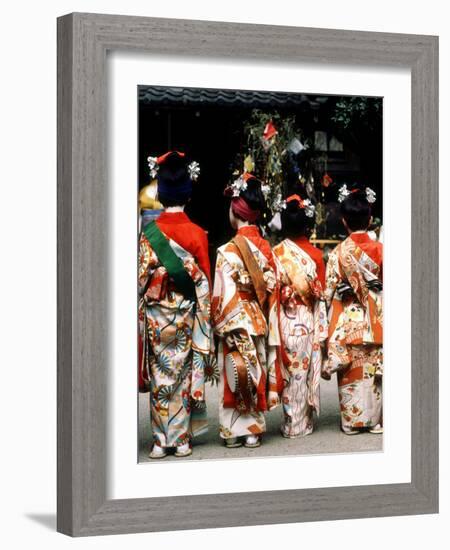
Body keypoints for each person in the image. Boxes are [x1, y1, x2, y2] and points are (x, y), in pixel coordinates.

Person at [138, 151, 214, 458]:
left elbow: (141, 279)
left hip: (157, 318)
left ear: (161, 193)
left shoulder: (148, 234)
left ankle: (159, 440)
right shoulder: (197, 233)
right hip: (184, 317)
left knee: (160, 375)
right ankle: (181, 439)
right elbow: (205, 281)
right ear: (188, 193)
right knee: (181, 374)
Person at [211, 173, 284, 449]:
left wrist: (222, 324)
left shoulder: (227, 250)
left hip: (233, 319)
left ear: (235, 212)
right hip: (257, 319)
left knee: (234, 374)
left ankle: (232, 433)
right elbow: (274, 287)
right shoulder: (268, 250)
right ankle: (253, 431)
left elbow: (221, 293)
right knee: (254, 372)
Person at [323, 186, 383, 435]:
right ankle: (375, 421)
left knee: (351, 368)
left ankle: (351, 421)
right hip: (376, 318)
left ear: (344, 221)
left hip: (348, 319)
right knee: (372, 368)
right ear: (370, 219)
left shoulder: (338, 253)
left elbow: (328, 292)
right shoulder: (381, 250)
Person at [273, 195, 328, 438]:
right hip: (307, 320)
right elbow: (322, 292)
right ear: (308, 224)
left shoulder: (276, 253)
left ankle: (291, 421)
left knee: (289, 372)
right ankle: (302, 420)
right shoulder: (316, 255)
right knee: (303, 372)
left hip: (284, 319)